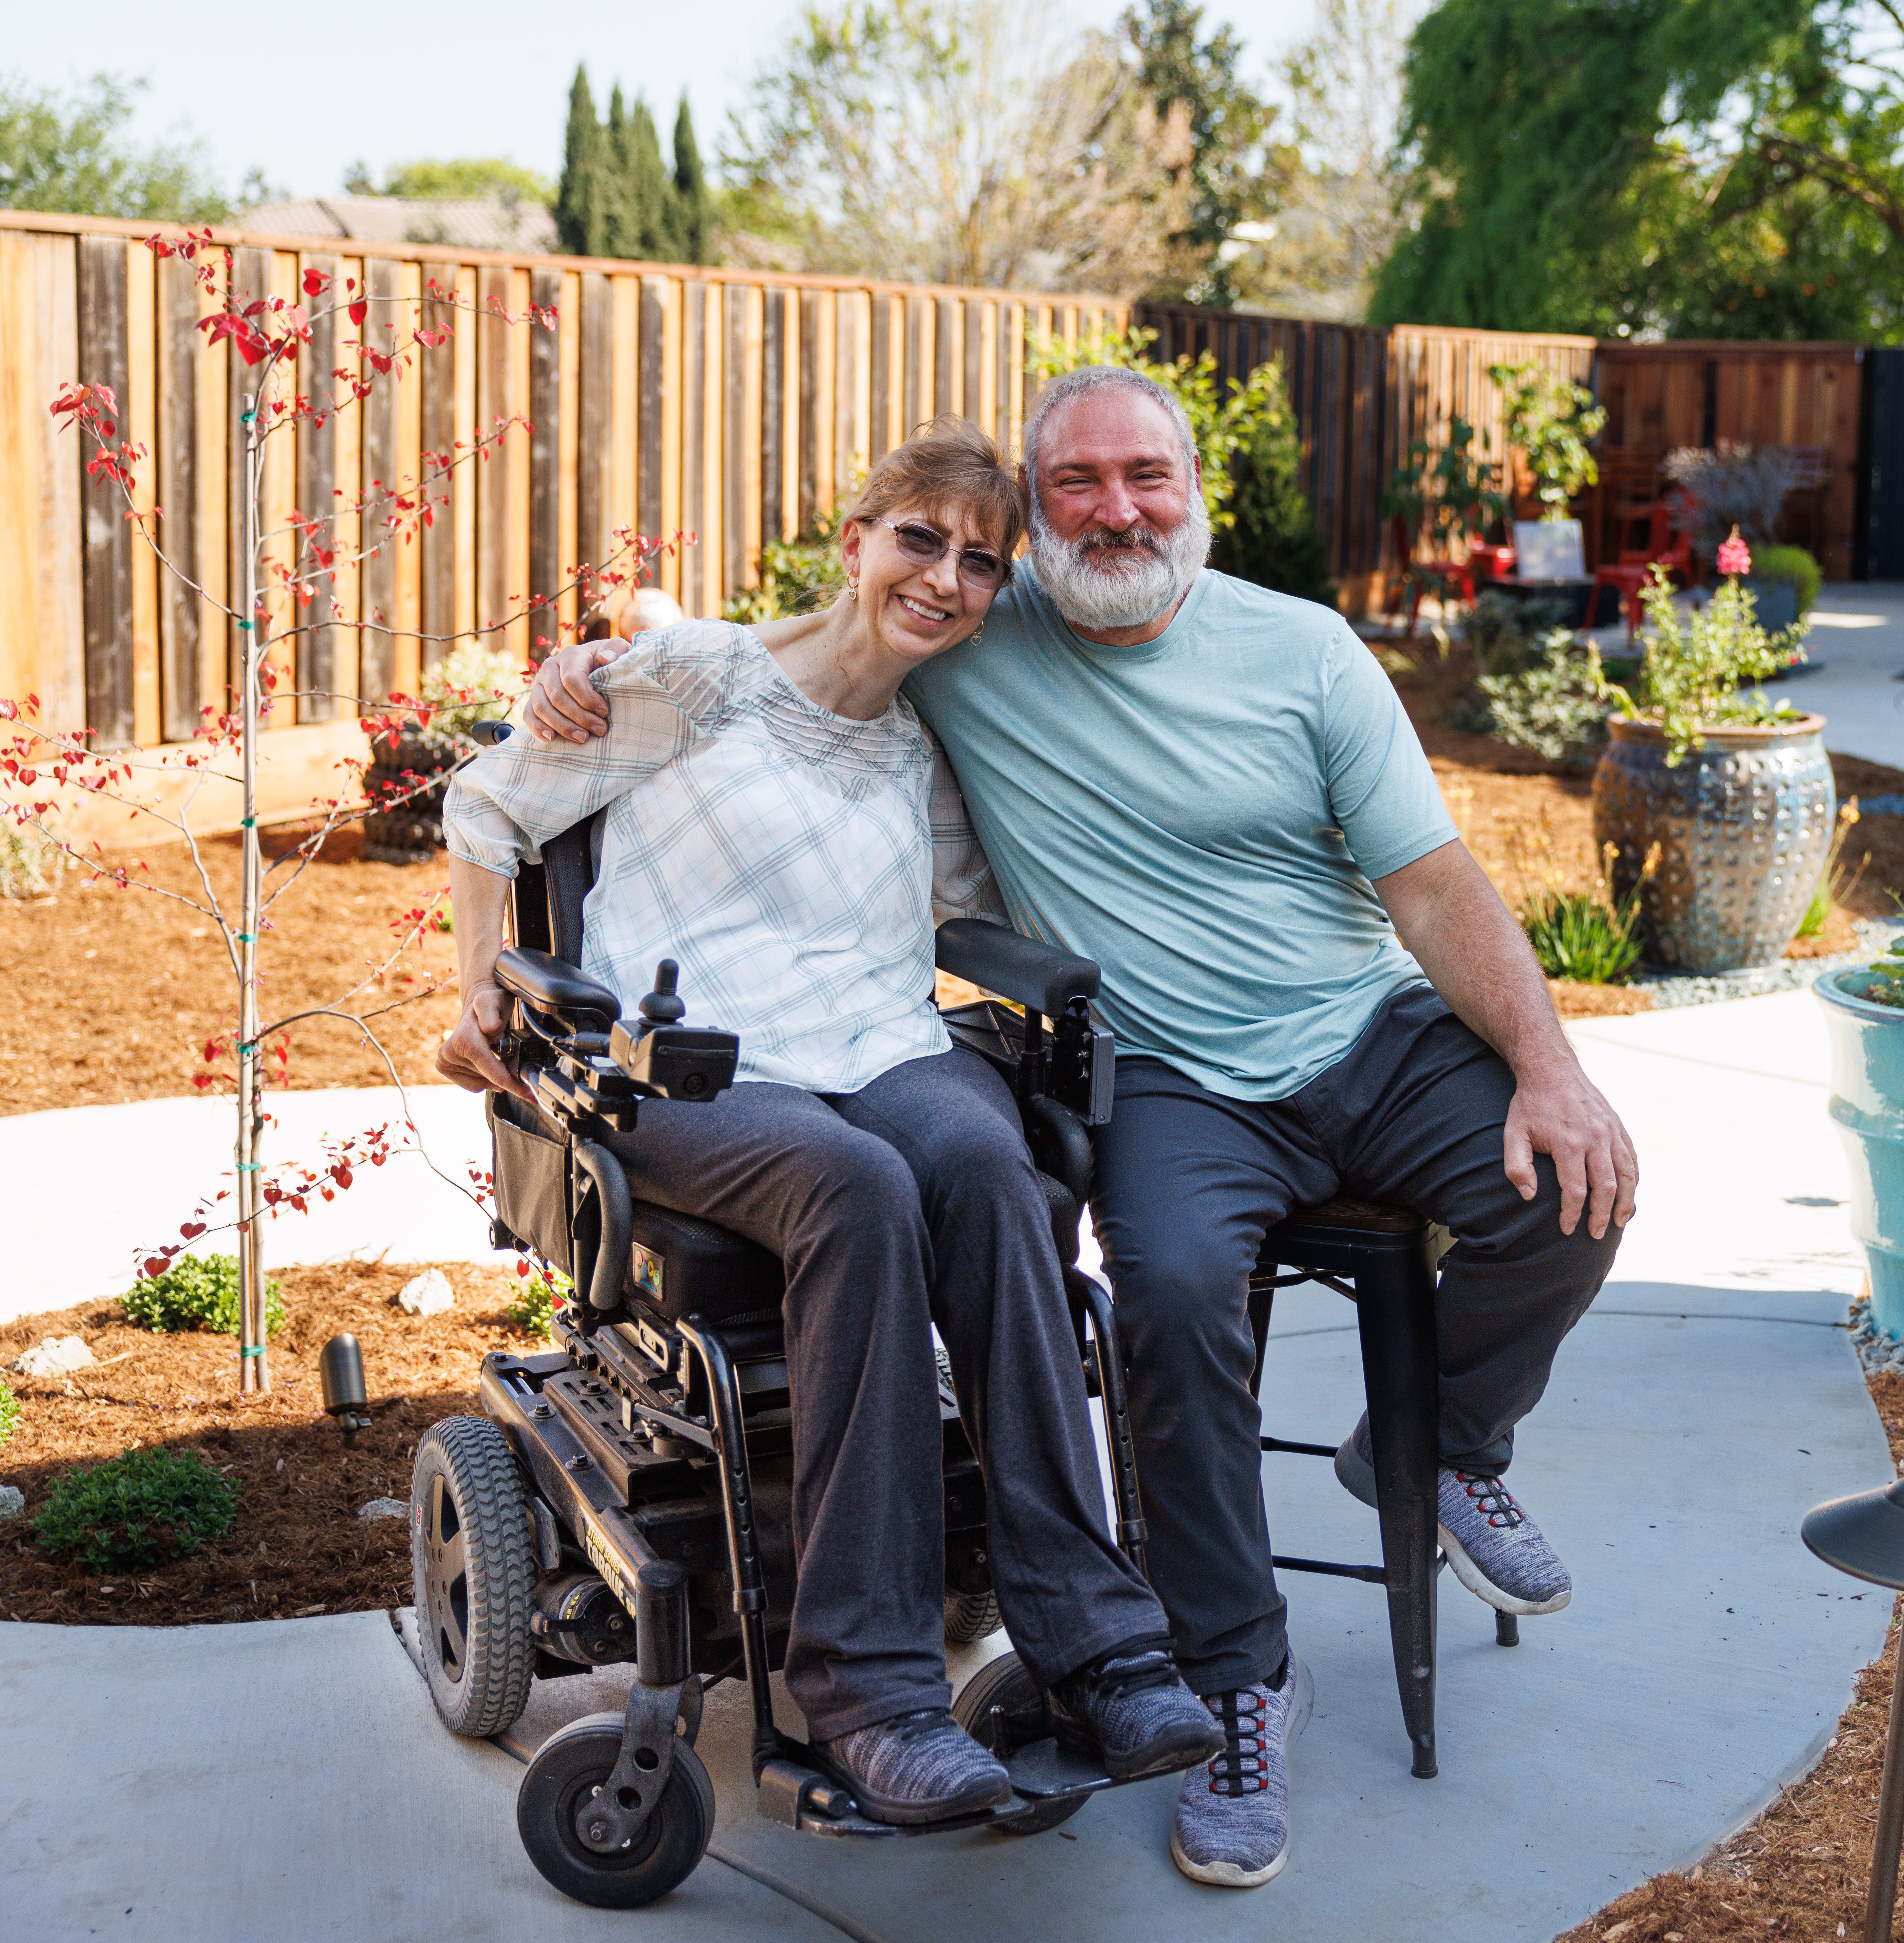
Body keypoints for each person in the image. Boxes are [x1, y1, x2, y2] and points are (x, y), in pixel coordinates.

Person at [521, 368, 1640, 1890]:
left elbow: (1433, 883)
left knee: (1569, 1190)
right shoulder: (973, 635)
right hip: (1177, 1081)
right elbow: (796, 654)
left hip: (1363, 1031)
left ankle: (1432, 1444)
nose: (1113, 511)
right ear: (1034, 519)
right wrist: (596, 670)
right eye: (1074, 489)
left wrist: (1547, 1064)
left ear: (1194, 489)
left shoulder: (1303, 651)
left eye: (1145, 479)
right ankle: (1232, 1676)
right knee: (1164, 1293)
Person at [435, 417, 1222, 1827]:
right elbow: (490, 807)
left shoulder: (920, 748)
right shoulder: (706, 674)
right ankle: (871, 1694)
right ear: (854, 542)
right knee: (856, 1186)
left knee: (990, 1166)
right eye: (920, 538)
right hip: (685, 1065)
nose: (945, 575)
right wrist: (484, 997)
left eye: (980, 561)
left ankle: (1097, 1644)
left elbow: (976, 912)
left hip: (878, 1040)